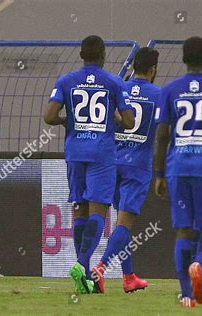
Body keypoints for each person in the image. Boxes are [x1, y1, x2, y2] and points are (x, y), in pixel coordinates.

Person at [44, 35, 135, 294]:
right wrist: (114, 119)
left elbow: (49, 116)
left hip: (75, 153)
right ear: (104, 55)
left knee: (79, 210)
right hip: (101, 154)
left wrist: (66, 121)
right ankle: (82, 265)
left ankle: (82, 278)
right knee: (99, 211)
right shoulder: (114, 82)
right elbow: (128, 122)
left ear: (81, 55)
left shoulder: (66, 81)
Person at [154, 36, 202, 308]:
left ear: (184, 59)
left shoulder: (170, 90)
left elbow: (162, 135)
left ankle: (186, 294)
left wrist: (159, 173)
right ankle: (200, 264)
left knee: (183, 231)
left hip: (178, 167)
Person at [91, 47, 161, 293]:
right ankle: (98, 269)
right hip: (137, 167)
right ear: (153, 70)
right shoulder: (159, 94)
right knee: (124, 225)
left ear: (132, 66)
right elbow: (164, 131)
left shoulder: (118, 87)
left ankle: (129, 276)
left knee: (118, 222)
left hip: (111, 162)